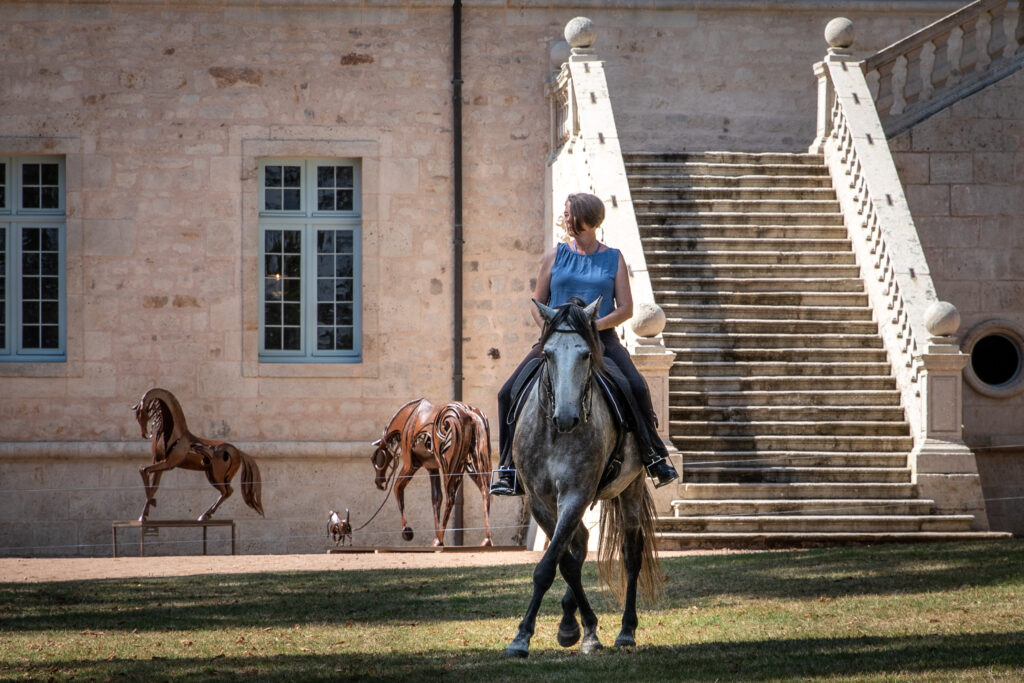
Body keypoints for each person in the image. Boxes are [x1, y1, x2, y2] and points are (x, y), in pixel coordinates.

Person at [490, 192, 679, 496]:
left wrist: (592, 327)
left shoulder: (613, 257)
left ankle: (654, 456)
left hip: (600, 339)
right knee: (506, 394)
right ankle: (506, 470)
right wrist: (552, 332)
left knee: (637, 387)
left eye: (569, 214)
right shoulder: (554, 256)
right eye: (565, 214)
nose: (565, 219)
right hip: (556, 340)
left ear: (588, 218)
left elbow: (626, 309)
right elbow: (537, 302)